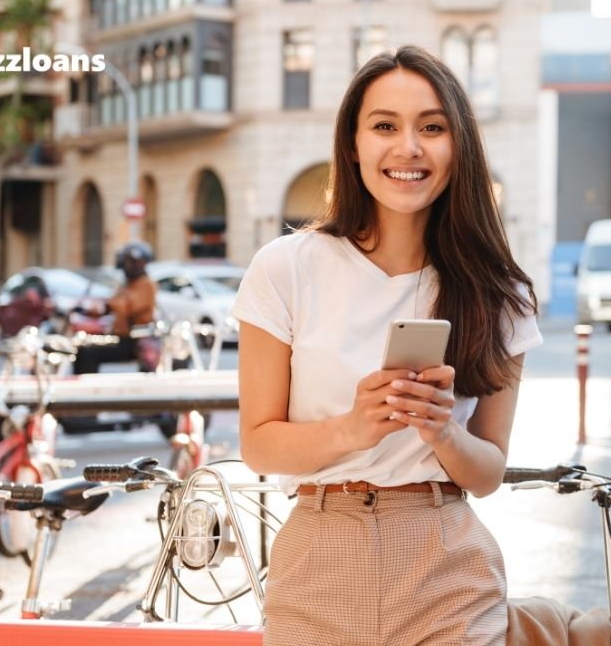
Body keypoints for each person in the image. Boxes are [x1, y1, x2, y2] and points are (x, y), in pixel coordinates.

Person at [230, 45, 542, 645]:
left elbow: (488, 474)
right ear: (352, 144)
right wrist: (354, 426)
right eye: (384, 127)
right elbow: (259, 445)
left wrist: (443, 431)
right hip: (318, 557)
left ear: (460, 146)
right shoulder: (286, 268)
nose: (409, 148)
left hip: (447, 564)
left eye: (432, 127)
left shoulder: (497, 291)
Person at [72, 240, 158, 374]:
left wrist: (109, 305)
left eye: (129, 262)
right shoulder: (127, 285)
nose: (126, 266)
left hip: (133, 342)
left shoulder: (146, 285)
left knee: (89, 353)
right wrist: (85, 310)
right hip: (119, 337)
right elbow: (109, 306)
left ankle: (89, 388)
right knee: (81, 348)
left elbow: (126, 306)